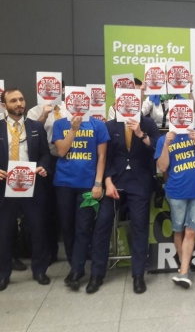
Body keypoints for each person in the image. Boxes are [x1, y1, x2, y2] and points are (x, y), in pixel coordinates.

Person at [91, 115, 161, 294]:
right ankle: (97, 274)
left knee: (139, 226)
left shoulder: (148, 123)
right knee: (102, 223)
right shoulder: (110, 125)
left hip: (139, 181)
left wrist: (141, 134)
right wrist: (107, 181)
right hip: (114, 180)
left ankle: (138, 275)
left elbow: (157, 148)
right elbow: (104, 156)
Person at [0, 88, 51, 291]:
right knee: (4, 232)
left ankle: (39, 270)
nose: (19, 103)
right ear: (5, 105)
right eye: (13, 100)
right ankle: (3, 274)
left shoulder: (36, 126)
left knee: (38, 229)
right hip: (5, 187)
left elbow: (46, 155)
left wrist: (43, 167)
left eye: (21, 99)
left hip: (32, 185)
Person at [52, 112, 110, 290]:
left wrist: (98, 183)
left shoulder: (97, 125)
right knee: (67, 227)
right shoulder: (60, 124)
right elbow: (61, 151)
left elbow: (102, 157)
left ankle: (76, 271)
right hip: (64, 183)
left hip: (87, 185)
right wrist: (74, 129)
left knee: (83, 227)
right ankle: (75, 265)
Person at [155, 127, 195, 289]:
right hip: (176, 192)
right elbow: (162, 167)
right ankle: (184, 268)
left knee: (191, 231)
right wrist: (166, 144)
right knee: (178, 230)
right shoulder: (163, 139)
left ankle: (183, 272)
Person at [27, 83, 68, 264]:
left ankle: (73, 251)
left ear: (63, 91)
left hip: (69, 159)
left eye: (56, 89)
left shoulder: (69, 108)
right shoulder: (34, 111)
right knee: (46, 208)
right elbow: (31, 131)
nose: (52, 93)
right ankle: (50, 251)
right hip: (47, 159)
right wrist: (44, 113)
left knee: (66, 208)